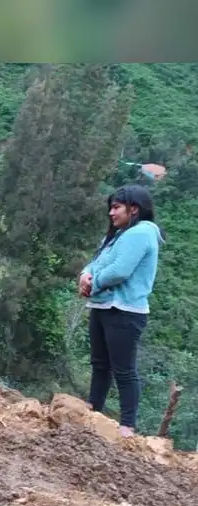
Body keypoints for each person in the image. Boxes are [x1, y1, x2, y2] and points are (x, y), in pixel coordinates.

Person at [78, 184, 163, 438]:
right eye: (111, 208)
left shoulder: (142, 233)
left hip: (125, 310)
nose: (111, 213)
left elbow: (120, 270)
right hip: (104, 305)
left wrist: (93, 283)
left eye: (116, 208)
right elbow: (98, 262)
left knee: (123, 369)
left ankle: (127, 426)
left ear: (134, 209)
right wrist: (85, 274)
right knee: (100, 364)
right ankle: (93, 411)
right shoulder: (118, 235)